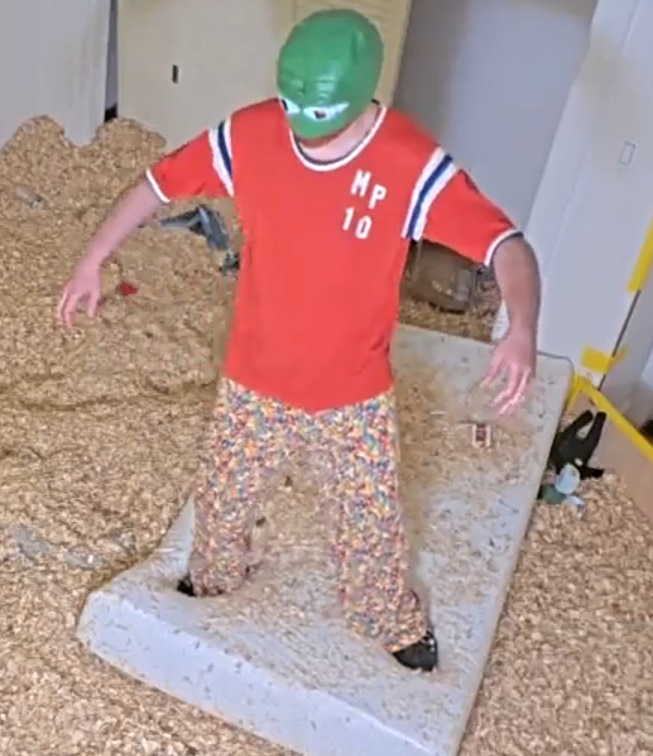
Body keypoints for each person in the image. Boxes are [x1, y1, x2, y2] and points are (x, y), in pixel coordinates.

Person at [57, 9, 540, 672]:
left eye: (318, 111)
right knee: (221, 499)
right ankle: (214, 582)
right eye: (289, 103)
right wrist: (92, 258)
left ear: (361, 92)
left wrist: (522, 328)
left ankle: (388, 619)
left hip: (352, 396)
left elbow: (507, 245)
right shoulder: (251, 134)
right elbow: (156, 184)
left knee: (369, 523)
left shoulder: (409, 164)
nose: (299, 124)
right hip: (252, 380)